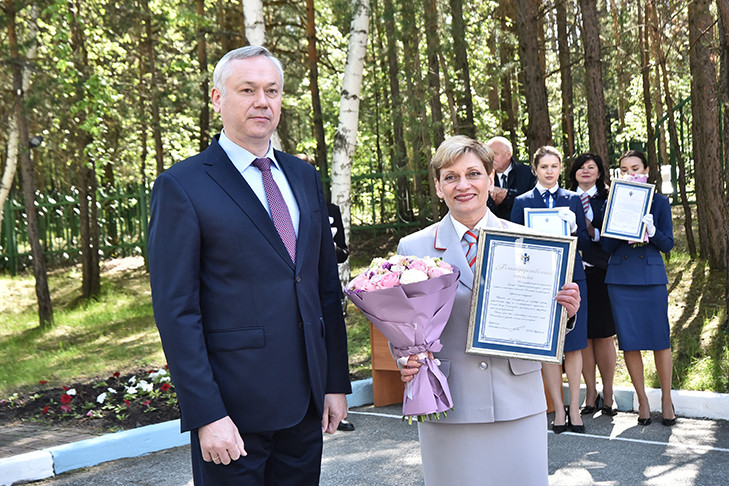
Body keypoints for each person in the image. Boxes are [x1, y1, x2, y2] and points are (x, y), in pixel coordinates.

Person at [148, 46, 351, 485]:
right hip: (233, 414)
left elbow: (322, 287)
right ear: (218, 98)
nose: (263, 100)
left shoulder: (302, 176)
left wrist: (335, 382)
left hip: (305, 407)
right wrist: (207, 414)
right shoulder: (181, 186)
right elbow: (176, 311)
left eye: (272, 90)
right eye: (248, 89)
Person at [398, 136, 581, 485]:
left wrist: (565, 313)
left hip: (517, 400)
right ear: (438, 187)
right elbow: (402, 323)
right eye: (450, 177)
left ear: (491, 179)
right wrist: (405, 359)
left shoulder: (530, 242)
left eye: (473, 174)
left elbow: (541, 319)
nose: (463, 185)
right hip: (449, 402)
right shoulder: (414, 247)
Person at [511, 146, 590, 434]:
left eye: (554, 166)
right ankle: (557, 409)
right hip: (538, 280)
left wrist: (572, 230)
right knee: (549, 346)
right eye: (544, 166)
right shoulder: (522, 201)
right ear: (535, 169)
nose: (549, 171)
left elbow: (583, 241)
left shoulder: (572, 199)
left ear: (560, 168)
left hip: (572, 277)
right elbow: (517, 246)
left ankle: (574, 408)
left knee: (574, 343)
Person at [601, 150, 676, 427]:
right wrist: (618, 224)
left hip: (651, 278)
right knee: (630, 342)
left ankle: (666, 400)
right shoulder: (613, 200)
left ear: (646, 170)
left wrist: (652, 231)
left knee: (660, 339)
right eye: (624, 169)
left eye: (635, 168)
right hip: (621, 280)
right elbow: (606, 247)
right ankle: (642, 400)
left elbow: (668, 244)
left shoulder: (659, 202)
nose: (631, 174)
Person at [298, 153, 354, 432]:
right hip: (302, 290)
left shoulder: (330, 210)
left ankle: (335, 407)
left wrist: (331, 250)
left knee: (329, 338)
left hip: (326, 284)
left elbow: (343, 251)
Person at [568, 153, 618, 416]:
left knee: (604, 334)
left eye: (592, 167)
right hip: (574, 273)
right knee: (583, 336)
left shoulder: (609, 200)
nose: (586, 171)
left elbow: (614, 234)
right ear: (574, 172)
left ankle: (608, 391)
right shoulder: (565, 199)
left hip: (601, 272)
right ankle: (591, 392)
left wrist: (591, 231)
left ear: (600, 173)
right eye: (581, 167)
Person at [486, 136, 537, 220]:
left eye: (494, 154)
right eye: (488, 155)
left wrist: (507, 195)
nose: (490, 159)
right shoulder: (482, 176)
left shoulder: (527, 173)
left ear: (508, 154)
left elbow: (534, 200)